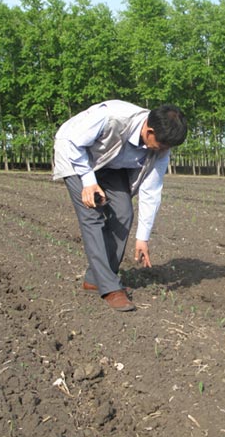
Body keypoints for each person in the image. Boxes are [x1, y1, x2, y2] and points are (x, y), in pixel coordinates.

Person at [53, 100, 187, 312]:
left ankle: (95, 279)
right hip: (76, 157)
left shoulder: (161, 148)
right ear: (149, 131)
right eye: (161, 145)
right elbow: (72, 142)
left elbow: (151, 190)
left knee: (124, 213)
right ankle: (110, 287)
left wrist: (142, 238)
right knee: (92, 216)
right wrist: (88, 181)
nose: (163, 150)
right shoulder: (111, 117)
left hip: (110, 165)